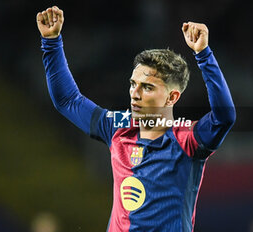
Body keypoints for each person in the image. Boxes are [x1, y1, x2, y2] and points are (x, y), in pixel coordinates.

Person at [36, 6, 236, 232]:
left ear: (172, 97)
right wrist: (51, 42)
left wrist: (204, 54)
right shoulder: (117, 128)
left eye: (147, 87)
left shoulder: (187, 140)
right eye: (133, 84)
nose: (135, 93)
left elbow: (224, 117)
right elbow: (67, 100)